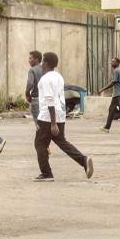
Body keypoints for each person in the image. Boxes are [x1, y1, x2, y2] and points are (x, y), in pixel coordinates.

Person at [33, 52, 94, 182]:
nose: (41, 64)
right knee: (62, 142)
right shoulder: (59, 77)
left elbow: (49, 100)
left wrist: (53, 123)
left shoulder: (45, 79)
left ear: (47, 63)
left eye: (43, 61)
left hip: (47, 117)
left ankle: (46, 174)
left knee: (39, 143)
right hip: (60, 114)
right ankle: (83, 160)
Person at [99, 57, 120, 134]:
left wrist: (103, 89)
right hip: (117, 94)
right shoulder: (119, 70)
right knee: (111, 110)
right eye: (111, 61)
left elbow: (114, 82)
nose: (111, 63)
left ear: (117, 63)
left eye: (113, 61)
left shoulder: (116, 70)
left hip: (118, 94)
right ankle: (106, 127)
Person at [25, 50, 43, 124]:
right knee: (44, 123)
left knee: (38, 124)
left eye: (30, 58)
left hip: (36, 99)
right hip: (45, 99)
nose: (29, 61)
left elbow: (30, 83)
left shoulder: (32, 70)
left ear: (37, 59)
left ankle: (40, 135)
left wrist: (27, 94)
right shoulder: (45, 69)